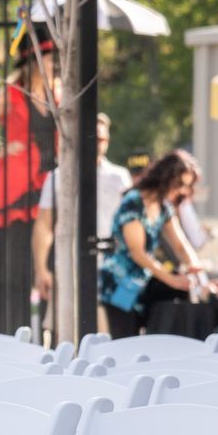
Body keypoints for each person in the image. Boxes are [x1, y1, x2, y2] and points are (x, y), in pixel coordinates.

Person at [0, 24, 59, 336]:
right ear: (32, 62)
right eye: (46, 59)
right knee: (10, 278)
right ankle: (4, 343)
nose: (51, 65)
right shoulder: (11, 95)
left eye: (52, 59)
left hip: (48, 189)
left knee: (50, 271)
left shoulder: (57, 94)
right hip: (14, 192)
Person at [98, 150, 209, 339]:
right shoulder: (133, 202)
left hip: (141, 282)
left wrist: (197, 273)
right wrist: (172, 280)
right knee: (125, 341)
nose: (182, 190)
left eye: (187, 186)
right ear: (166, 178)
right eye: (180, 184)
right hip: (120, 284)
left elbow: (180, 244)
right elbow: (137, 253)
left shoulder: (164, 206)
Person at [31, 113, 134, 304]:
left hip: (113, 266)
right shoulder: (57, 177)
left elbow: (131, 223)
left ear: (108, 141)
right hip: (70, 264)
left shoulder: (120, 177)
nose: (97, 143)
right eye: (92, 137)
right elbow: (44, 224)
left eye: (101, 138)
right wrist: (41, 269)